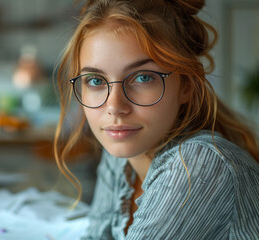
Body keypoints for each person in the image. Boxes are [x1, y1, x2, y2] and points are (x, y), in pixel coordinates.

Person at [53, 0, 259, 239]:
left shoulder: (199, 165)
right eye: (96, 81)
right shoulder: (121, 152)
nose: (114, 107)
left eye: (142, 78)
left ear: (186, 85)